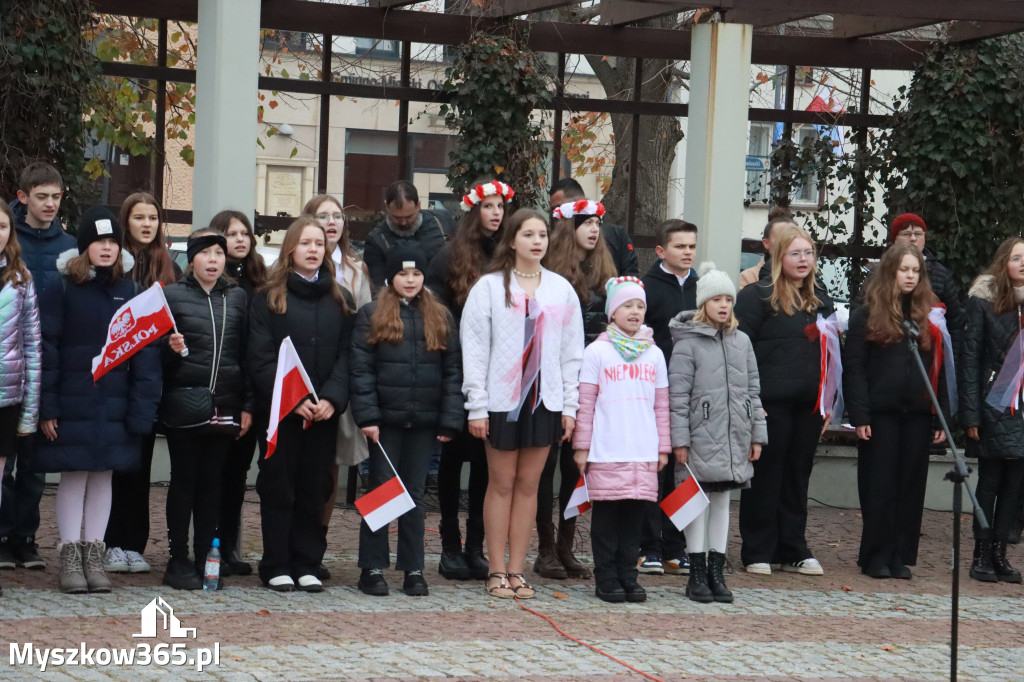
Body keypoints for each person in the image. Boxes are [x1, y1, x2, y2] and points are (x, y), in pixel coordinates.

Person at [36, 207, 162, 594]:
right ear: (84, 246)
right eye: (98, 242)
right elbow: (48, 350)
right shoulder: (60, 287)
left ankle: (95, 555)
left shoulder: (132, 290)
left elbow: (146, 355)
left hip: (115, 403)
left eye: (111, 241)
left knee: (104, 475)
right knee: (74, 475)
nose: (106, 248)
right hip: (73, 402)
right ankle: (71, 557)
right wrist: (48, 407)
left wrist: (141, 411)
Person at [460, 207, 584, 599]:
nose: (537, 241)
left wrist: (569, 407)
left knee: (530, 487)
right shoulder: (490, 288)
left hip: (544, 401)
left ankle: (517, 570)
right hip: (502, 401)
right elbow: (475, 350)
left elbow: (571, 353)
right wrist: (476, 405)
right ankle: (495, 570)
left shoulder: (561, 289)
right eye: (528, 234)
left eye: (542, 235)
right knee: (501, 485)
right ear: (512, 240)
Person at [248, 217, 354, 593]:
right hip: (282, 414)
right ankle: (276, 562)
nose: (313, 249)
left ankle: (307, 561)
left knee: (315, 487)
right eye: (306, 243)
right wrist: (294, 403)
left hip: (323, 414)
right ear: (291, 248)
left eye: (319, 244)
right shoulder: (268, 297)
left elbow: (347, 356)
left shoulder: (341, 299)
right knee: (279, 487)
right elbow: (260, 358)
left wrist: (331, 398)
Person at [351, 244, 464, 597]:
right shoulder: (372, 314)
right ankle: (372, 567)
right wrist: (367, 417)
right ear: (392, 277)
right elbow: (361, 370)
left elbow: (452, 372)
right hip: (385, 422)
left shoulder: (440, 316)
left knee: (414, 496)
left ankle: (413, 567)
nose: (410, 280)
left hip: (425, 422)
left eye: (416, 274)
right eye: (403, 274)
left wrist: (449, 421)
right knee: (384, 493)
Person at [735, 224, 835, 576]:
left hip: (808, 406)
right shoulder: (756, 297)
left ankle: (794, 547)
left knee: (797, 476)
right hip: (769, 405)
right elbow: (739, 351)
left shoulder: (821, 300)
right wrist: (751, 401)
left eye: (808, 253)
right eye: (795, 253)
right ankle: (758, 550)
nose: (803, 259)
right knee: (766, 475)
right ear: (779, 257)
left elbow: (831, 355)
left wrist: (828, 401)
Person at [425, 180, 512, 581]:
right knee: (452, 458)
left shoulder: (509, 257)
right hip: (457, 368)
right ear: (473, 211)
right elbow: (437, 317)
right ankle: (449, 544)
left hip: (499, 373)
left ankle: (476, 545)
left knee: (484, 462)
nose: (496, 213)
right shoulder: (449, 257)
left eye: (501, 206)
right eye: (488, 206)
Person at [844, 243, 947, 580]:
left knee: (909, 486)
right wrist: (860, 415)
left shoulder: (924, 318)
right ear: (890, 272)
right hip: (881, 414)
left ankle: (900, 555)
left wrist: (939, 414)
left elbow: (938, 370)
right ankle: (875, 555)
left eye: (916, 271)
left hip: (916, 412)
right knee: (880, 485)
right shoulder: (867, 315)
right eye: (904, 270)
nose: (910, 277)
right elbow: (855, 368)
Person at [159, 230, 252, 590]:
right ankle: (177, 558)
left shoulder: (238, 298)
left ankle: (205, 557)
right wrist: (171, 348)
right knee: (184, 482)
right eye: (205, 253)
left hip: (225, 407)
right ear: (192, 259)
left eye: (218, 253)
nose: (213, 260)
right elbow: (157, 358)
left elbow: (245, 354)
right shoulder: (172, 297)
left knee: (213, 485)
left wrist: (247, 405)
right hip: (185, 406)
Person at [669, 263, 766, 603]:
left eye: (728, 299)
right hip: (699, 436)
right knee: (695, 502)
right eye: (716, 299)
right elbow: (677, 398)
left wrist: (757, 434)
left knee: (723, 501)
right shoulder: (688, 345)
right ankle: (695, 571)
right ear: (703, 304)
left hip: (734, 436)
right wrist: (679, 440)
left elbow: (753, 392)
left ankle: (716, 569)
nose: (724, 305)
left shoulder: (742, 342)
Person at [531, 199, 617, 581]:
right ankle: (544, 549)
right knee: (545, 468)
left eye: (597, 223)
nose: (594, 230)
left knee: (574, 469)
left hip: (594, 383)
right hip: (555, 381)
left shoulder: (605, 275)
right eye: (585, 223)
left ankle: (565, 547)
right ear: (569, 229)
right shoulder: (551, 276)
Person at [573, 276, 669, 603]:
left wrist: (663, 447)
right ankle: (606, 576)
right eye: (627, 305)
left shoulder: (654, 355)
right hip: (606, 448)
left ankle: (629, 575)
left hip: (642, 448)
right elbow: (585, 404)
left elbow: (661, 406)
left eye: (640, 306)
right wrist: (582, 447)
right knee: (607, 517)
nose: (634, 311)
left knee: (634, 517)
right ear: (612, 312)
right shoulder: (597, 352)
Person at [0, 163, 75, 573]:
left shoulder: (71, 245)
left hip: (51, 364)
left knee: (35, 461)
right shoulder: (11, 241)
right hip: (12, 362)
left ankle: (25, 538)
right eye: (42, 196)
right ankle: (3, 531)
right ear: (24, 197)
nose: (50, 204)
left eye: (56, 197)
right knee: (4, 461)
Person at [103, 192, 180, 576]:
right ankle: (109, 542)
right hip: (114, 382)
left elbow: (174, 324)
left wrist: (173, 346)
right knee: (114, 466)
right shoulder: (114, 264)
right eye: (139, 217)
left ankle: (134, 544)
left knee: (140, 465)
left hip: (152, 384)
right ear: (125, 222)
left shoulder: (169, 268)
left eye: (153, 217)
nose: (147, 224)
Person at [303, 194, 371, 581]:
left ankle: (318, 546)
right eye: (322, 216)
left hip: (338, 386)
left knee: (329, 471)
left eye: (337, 216)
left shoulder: (356, 271)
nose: (331, 222)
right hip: (299, 384)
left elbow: (364, 330)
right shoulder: (288, 263)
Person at [638, 219, 699, 577]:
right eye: (680, 246)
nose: (688, 253)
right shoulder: (646, 289)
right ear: (661, 251)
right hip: (653, 393)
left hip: (691, 394)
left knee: (683, 470)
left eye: (692, 246)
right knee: (655, 470)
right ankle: (649, 547)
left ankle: (677, 546)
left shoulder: (700, 288)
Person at [961, 237, 1024, 583]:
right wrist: (970, 414)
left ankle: (1001, 553)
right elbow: (970, 360)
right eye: (1017, 258)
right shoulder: (983, 302)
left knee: (1015, 484)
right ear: (1004, 262)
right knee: (990, 482)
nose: (1023, 264)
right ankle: (981, 554)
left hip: (1023, 408)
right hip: (993, 403)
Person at [209, 209, 268, 578]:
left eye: (245, 233)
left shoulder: (261, 280)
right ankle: (211, 545)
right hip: (223, 392)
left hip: (253, 392)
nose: (241, 240)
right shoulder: (216, 282)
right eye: (232, 234)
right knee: (215, 472)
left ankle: (230, 544)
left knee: (237, 475)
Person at [0, 201, 41, 597]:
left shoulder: (21, 279)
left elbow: (32, 347)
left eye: (1, 226)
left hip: (5, 398)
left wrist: (29, 412)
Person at [888, 213, 964, 353]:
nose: (913, 239)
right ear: (894, 239)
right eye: (906, 234)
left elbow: (954, 323)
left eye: (918, 234)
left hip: (928, 355)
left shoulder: (941, 275)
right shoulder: (881, 272)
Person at [363, 181, 454, 287]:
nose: (403, 222)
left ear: (419, 205)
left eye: (409, 216)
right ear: (386, 207)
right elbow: (379, 287)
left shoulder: (442, 220)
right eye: (396, 217)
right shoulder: (376, 240)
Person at [549, 178, 638, 277]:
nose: (595, 229)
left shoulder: (615, 236)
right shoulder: (550, 254)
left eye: (597, 223)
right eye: (588, 223)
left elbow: (631, 275)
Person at [739, 213, 796, 290]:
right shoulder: (749, 277)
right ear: (766, 243)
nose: (788, 242)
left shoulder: (807, 276)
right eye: (781, 237)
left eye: (793, 237)